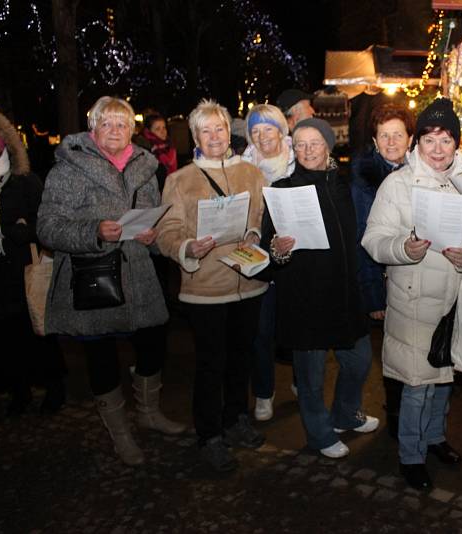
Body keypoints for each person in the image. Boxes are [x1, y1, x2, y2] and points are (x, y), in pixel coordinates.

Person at [37, 96, 186, 466]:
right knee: (101, 357)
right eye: (107, 124)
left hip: (138, 272)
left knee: (153, 343)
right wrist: (94, 231)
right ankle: (120, 433)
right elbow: (47, 227)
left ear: (132, 131)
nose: (115, 131)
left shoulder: (144, 166)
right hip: (93, 275)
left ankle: (149, 412)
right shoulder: (69, 168)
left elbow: (151, 215)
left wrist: (150, 234)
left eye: (122, 124)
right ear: (93, 129)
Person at [362, 98, 462, 491]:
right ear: (417, 143)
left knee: (444, 381)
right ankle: (411, 455)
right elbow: (373, 240)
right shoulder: (397, 184)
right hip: (414, 303)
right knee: (418, 385)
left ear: (457, 143)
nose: (437, 148)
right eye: (429, 139)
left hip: (456, 302)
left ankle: (435, 439)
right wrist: (404, 247)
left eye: (446, 139)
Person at [156, 99, 269, 473]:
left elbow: (261, 217)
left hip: (248, 282)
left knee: (241, 359)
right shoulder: (180, 180)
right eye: (206, 130)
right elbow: (167, 233)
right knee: (210, 365)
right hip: (204, 288)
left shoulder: (252, 173)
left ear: (228, 131)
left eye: (219, 128)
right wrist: (188, 246)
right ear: (195, 137)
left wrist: (254, 233)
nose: (215, 136)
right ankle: (209, 435)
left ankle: (235, 418)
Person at [259, 117, 378, 460]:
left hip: (344, 291)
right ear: (292, 149)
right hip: (304, 294)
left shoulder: (343, 185)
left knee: (358, 360)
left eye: (315, 143)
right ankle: (319, 433)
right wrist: (277, 251)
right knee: (309, 377)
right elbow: (270, 245)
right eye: (300, 144)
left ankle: (345, 413)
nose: (308, 150)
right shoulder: (282, 189)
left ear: (328, 145)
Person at [0, 106, 66, 416]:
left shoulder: (24, 181)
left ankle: (54, 387)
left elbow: (48, 224)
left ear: (5, 145)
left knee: (35, 333)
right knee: (3, 339)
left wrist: (24, 231)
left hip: (22, 272)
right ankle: (18, 392)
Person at [350, 103, 415, 439]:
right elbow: (363, 238)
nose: (391, 142)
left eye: (398, 135)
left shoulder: (424, 170)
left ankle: (420, 422)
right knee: (392, 353)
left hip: (418, 276)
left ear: (410, 139)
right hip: (384, 275)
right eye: (384, 136)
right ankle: (397, 417)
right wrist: (374, 294)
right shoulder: (363, 177)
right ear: (374, 141)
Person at [241, 103, 296, 422]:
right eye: (255, 131)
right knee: (260, 331)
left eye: (268, 129)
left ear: (281, 131)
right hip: (258, 261)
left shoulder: (297, 162)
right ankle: (264, 392)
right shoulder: (241, 168)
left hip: (294, 260)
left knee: (295, 328)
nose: (262, 137)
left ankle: (303, 384)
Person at [139, 112, 178, 180]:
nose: (163, 131)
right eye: (158, 129)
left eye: (164, 127)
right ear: (148, 132)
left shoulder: (169, 146)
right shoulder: (145, 149)